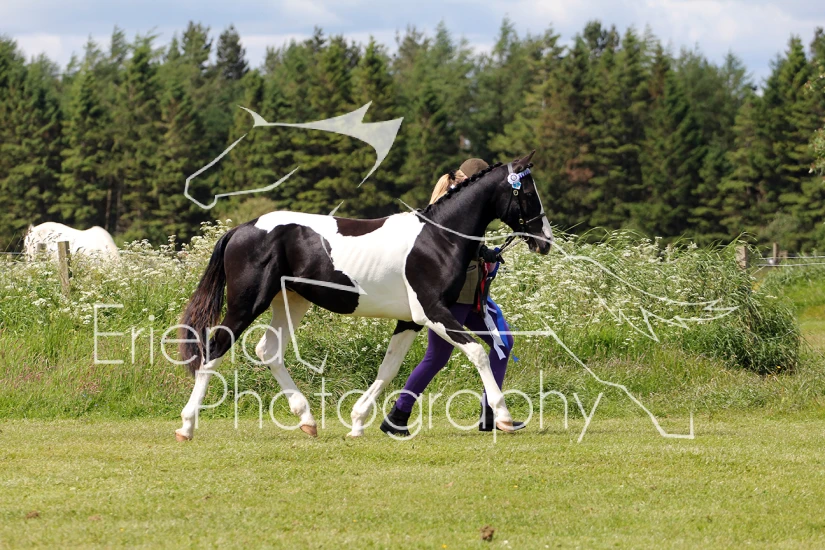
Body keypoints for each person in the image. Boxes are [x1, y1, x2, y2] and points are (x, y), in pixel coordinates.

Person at [379, 158, 526, 436]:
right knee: (439, 356)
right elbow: (454, 242)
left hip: (472, 293)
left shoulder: (460, 198)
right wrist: (483, 253)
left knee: (501, 343)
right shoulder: (455, 200)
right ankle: (398, 414)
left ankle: (490, 414)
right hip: (455, 295)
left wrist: (484, 253)